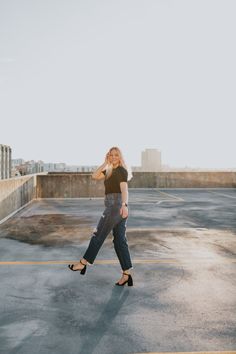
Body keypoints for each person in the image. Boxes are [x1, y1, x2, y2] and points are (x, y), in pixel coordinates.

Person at [68, 146, 134, 286]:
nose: (114, 157)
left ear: (120, 157)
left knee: (98, 235)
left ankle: (83, 263)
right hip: (114, 206)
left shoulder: (121, 170)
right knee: (119, 241)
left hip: (116, 206)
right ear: (108, 156)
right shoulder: (109, 171)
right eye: (111, 155)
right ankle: (127, 273)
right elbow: (94, 176)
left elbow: (124, 189)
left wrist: (124, 205)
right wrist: (105, 162)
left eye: (116, 155)